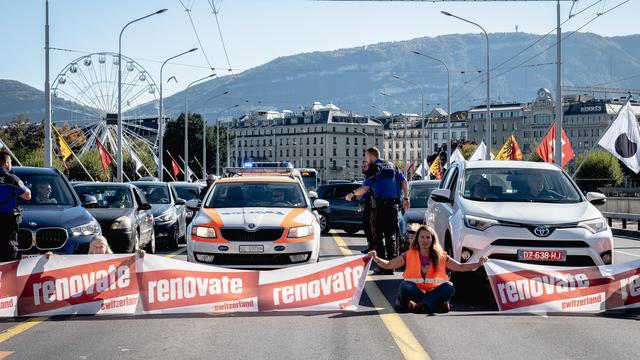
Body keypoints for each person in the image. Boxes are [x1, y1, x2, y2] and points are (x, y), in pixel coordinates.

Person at [368, 226, 488, 314]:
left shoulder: (441, 256)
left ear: (432, 240)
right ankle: (430, 304)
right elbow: (389, 265)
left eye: (428, 237)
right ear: (417, 239)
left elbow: (461, 267)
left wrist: (478, 263)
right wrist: (376, 258)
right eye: (422, 237)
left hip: (433, 292)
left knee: (449, 286)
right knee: (405, 286)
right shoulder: (409, 254)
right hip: (416, 292)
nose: (425, 240)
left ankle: (423, 305)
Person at [346, 147, 409, 275]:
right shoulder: (392, 166)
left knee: (378, 236)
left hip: (380, 206)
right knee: (391, 235)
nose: (365, 159)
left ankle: (382, 266)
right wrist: (406, 198)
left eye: (366, 157)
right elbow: (404, 182)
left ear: (371, 156)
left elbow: (364, 188)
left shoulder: (373, 168)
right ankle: (391, 265)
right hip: (393, 206)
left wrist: (352, 194)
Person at [0, 151, 31, 262]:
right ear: (6, 163)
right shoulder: (11, 178)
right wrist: (27, 188)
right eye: (10, 162)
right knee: (9, 250)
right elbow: (27, 196)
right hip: (8, 219)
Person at [359, 159, 375, 254]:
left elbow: (367, 191)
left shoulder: (370, 176)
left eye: (364, 166)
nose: (362, 168)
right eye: (362, 166)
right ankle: (371, 245)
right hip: (368, 203)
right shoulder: (366, 177)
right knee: (367, 225)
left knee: (369, 225)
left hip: (372, 204)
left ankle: (373, 247)